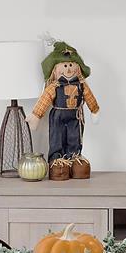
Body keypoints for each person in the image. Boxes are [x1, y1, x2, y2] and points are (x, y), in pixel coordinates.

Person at [31, 40, 99, 179]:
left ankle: (74, 159)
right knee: (57, 137)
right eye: (65, 66)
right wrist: (36, 115)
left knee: (75, 137)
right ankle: (57, 160)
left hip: (76, 116)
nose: (68, 69)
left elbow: (89, 97)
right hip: (58, 116)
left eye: (70, 65)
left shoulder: (81, 85)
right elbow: (44, 100)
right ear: (55, 70)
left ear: (77, 67)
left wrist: (94, 110)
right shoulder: (54, 86)